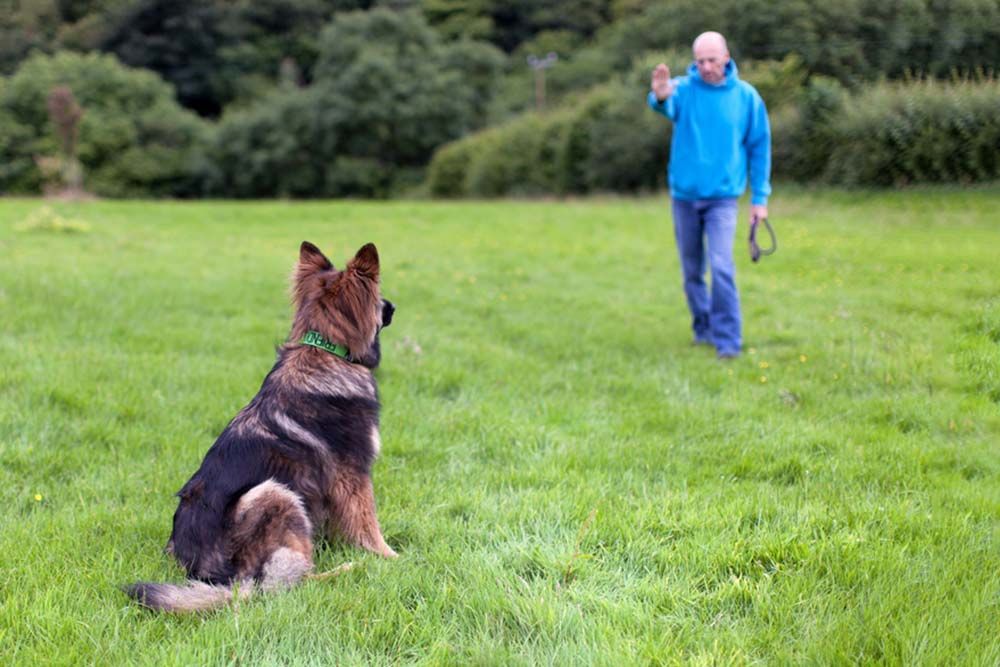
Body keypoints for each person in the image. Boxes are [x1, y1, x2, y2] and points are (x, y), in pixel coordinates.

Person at [647, 31, 771, 359]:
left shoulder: (746, 97)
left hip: (723, 198)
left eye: (712, 60)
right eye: (699, 60)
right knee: (692, 271)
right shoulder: (684, 90)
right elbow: (664, 101)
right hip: (684, 197)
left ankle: (728, 342)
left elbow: (760, 148)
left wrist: (760, 199)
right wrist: (659, 95)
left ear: (727, 57)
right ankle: (703, 328)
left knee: (721, 267)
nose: (705, 67)